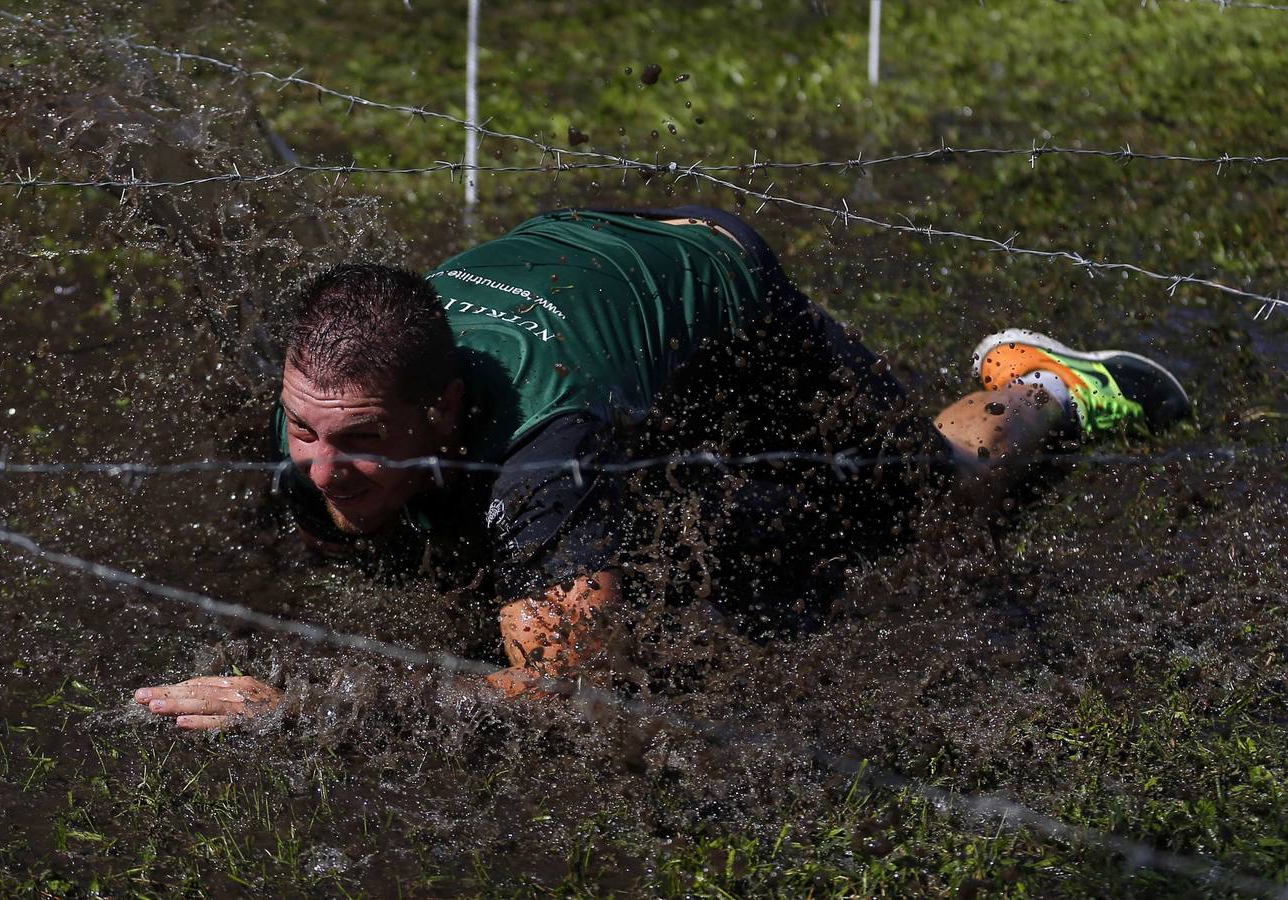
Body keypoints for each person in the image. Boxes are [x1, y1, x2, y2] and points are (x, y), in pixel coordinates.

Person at [133, 206, 1191, 729]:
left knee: (927, 504)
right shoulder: (324, 396)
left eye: (359, 442)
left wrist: (309, 707)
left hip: (716, 296)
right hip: (582, 278)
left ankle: (1044, 382)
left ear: (444, 406)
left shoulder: (546, 449)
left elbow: (561, 694)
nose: (320, 465)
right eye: (306, 432)